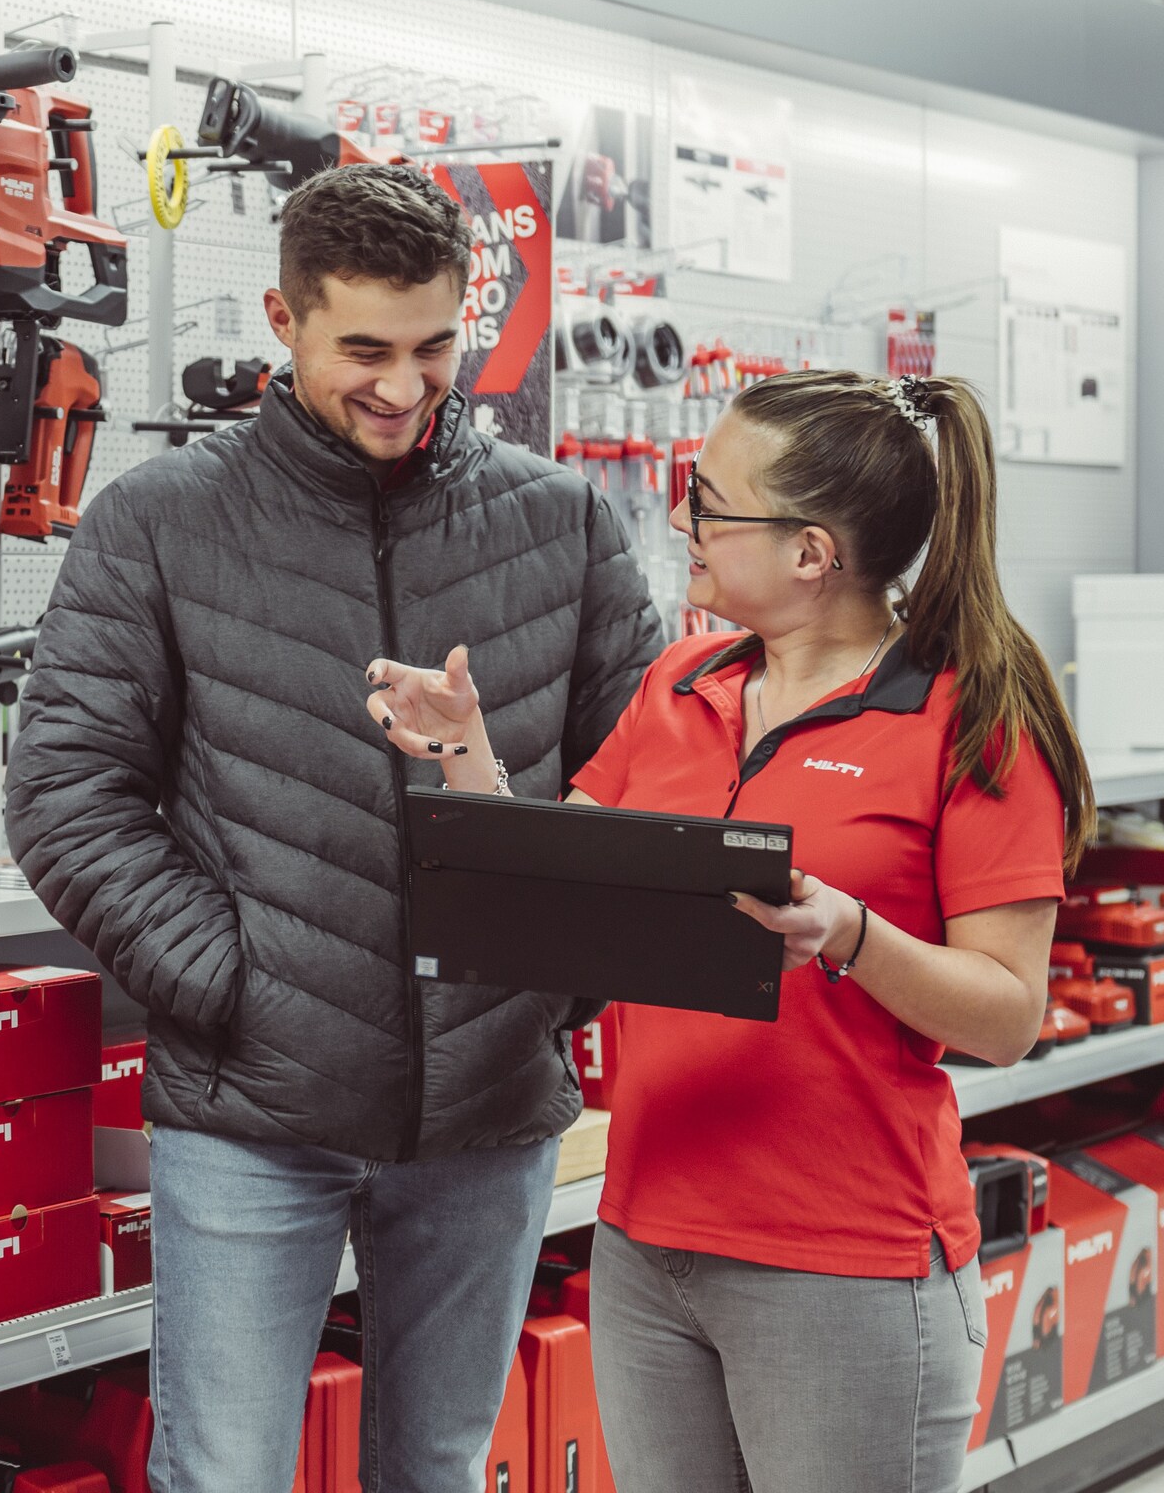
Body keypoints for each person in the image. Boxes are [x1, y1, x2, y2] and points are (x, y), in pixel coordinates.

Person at [5, 163, 665, 1493]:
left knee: (436, 1465)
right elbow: (69, 800)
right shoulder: (163, 520)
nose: (404, 388)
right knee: (226, 1472)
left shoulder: (565, 522)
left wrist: (544, 993)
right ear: (283, 319)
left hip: (488, 1109)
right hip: (254, 1110)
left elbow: (649, 792)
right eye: (363, 349)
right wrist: (242, 986)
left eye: (434, 348)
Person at [368, 369, 1094, 1493]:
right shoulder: (680, 681)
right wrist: (465, 751)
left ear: (811, 552)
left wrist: (851, 932)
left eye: (707, 501)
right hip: (647, 1239)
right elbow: (557, 887)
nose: (678, 520)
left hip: (843, 1256)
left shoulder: (969, 719)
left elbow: (1007, 1014)